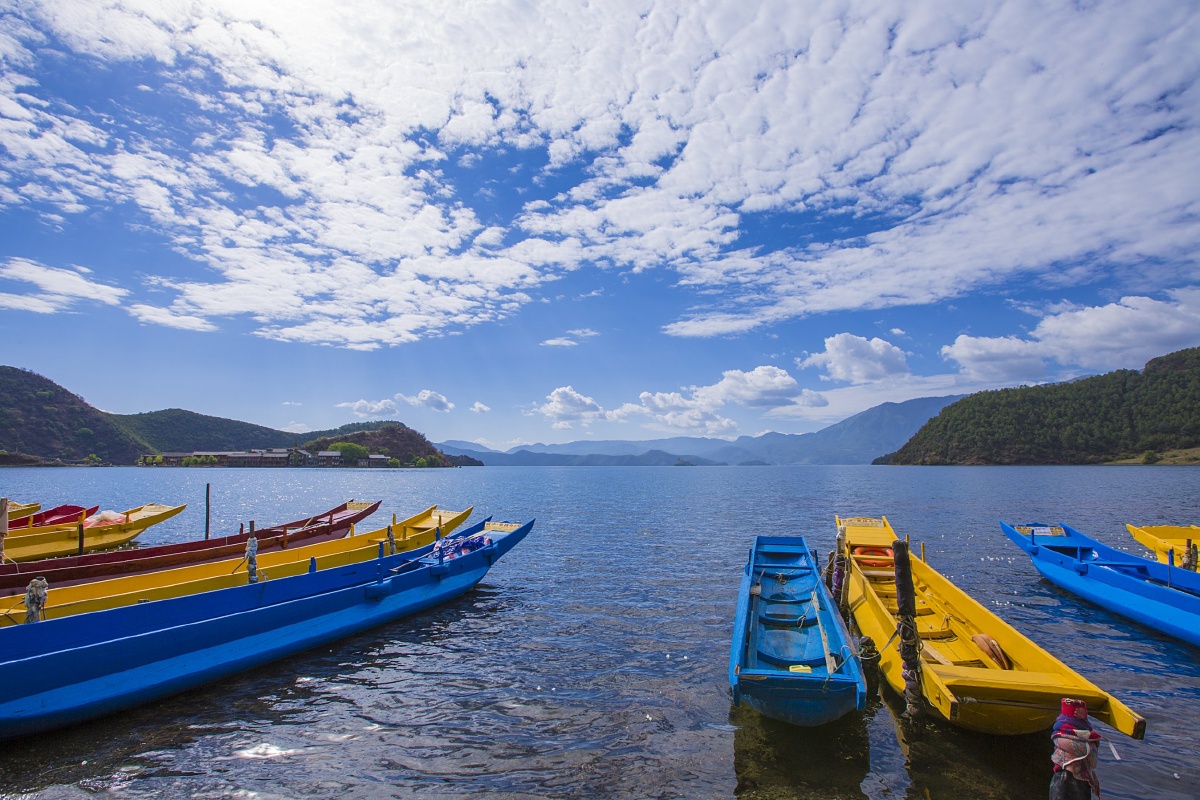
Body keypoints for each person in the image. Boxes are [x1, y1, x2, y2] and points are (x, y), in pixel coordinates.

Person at [1049, 698, 1101, 800]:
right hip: (1077, 781)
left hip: (1065, 779)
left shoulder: (1061, 741)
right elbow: (1092, 759)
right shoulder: (1089, 746)